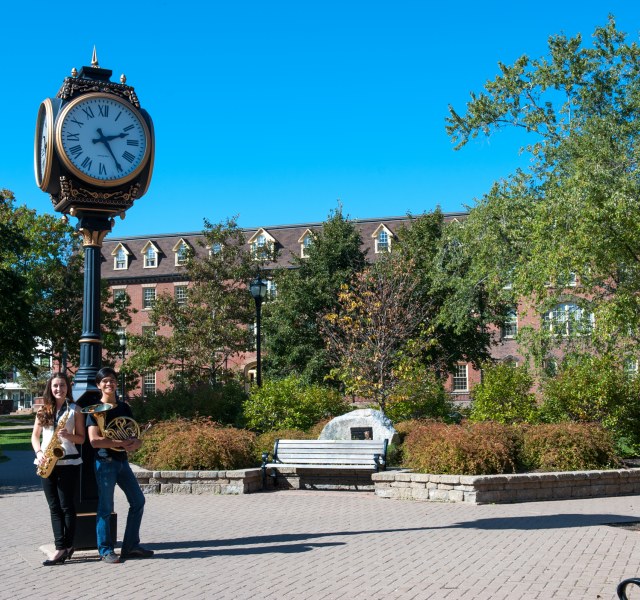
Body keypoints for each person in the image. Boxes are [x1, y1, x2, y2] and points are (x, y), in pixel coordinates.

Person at [86, 367, 153, 564]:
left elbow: (134, 436)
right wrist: (120, 443)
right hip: (105, 462)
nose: (109, 384)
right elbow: (95, 441)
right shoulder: (94, 410)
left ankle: (130, 546)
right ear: (99, 385)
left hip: (123, 462)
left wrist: (135, 443)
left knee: (138, 501)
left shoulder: (124, 407)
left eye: (112, 380)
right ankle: (105, 550)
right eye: (105, 381)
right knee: (105, 507)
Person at [31, 371, 86, 566]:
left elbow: (81, 438)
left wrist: (68, 436)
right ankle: (61, 546)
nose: (59, 389)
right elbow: (34, 437)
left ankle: (66, 546)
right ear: (50, 388)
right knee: (54, 507)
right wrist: (38, 454)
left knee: (66, 506)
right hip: (46, 462)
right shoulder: (43, 410)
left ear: (67, 388)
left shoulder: (75, 410)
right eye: (55, 386)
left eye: (62, 385)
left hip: (68, 463)